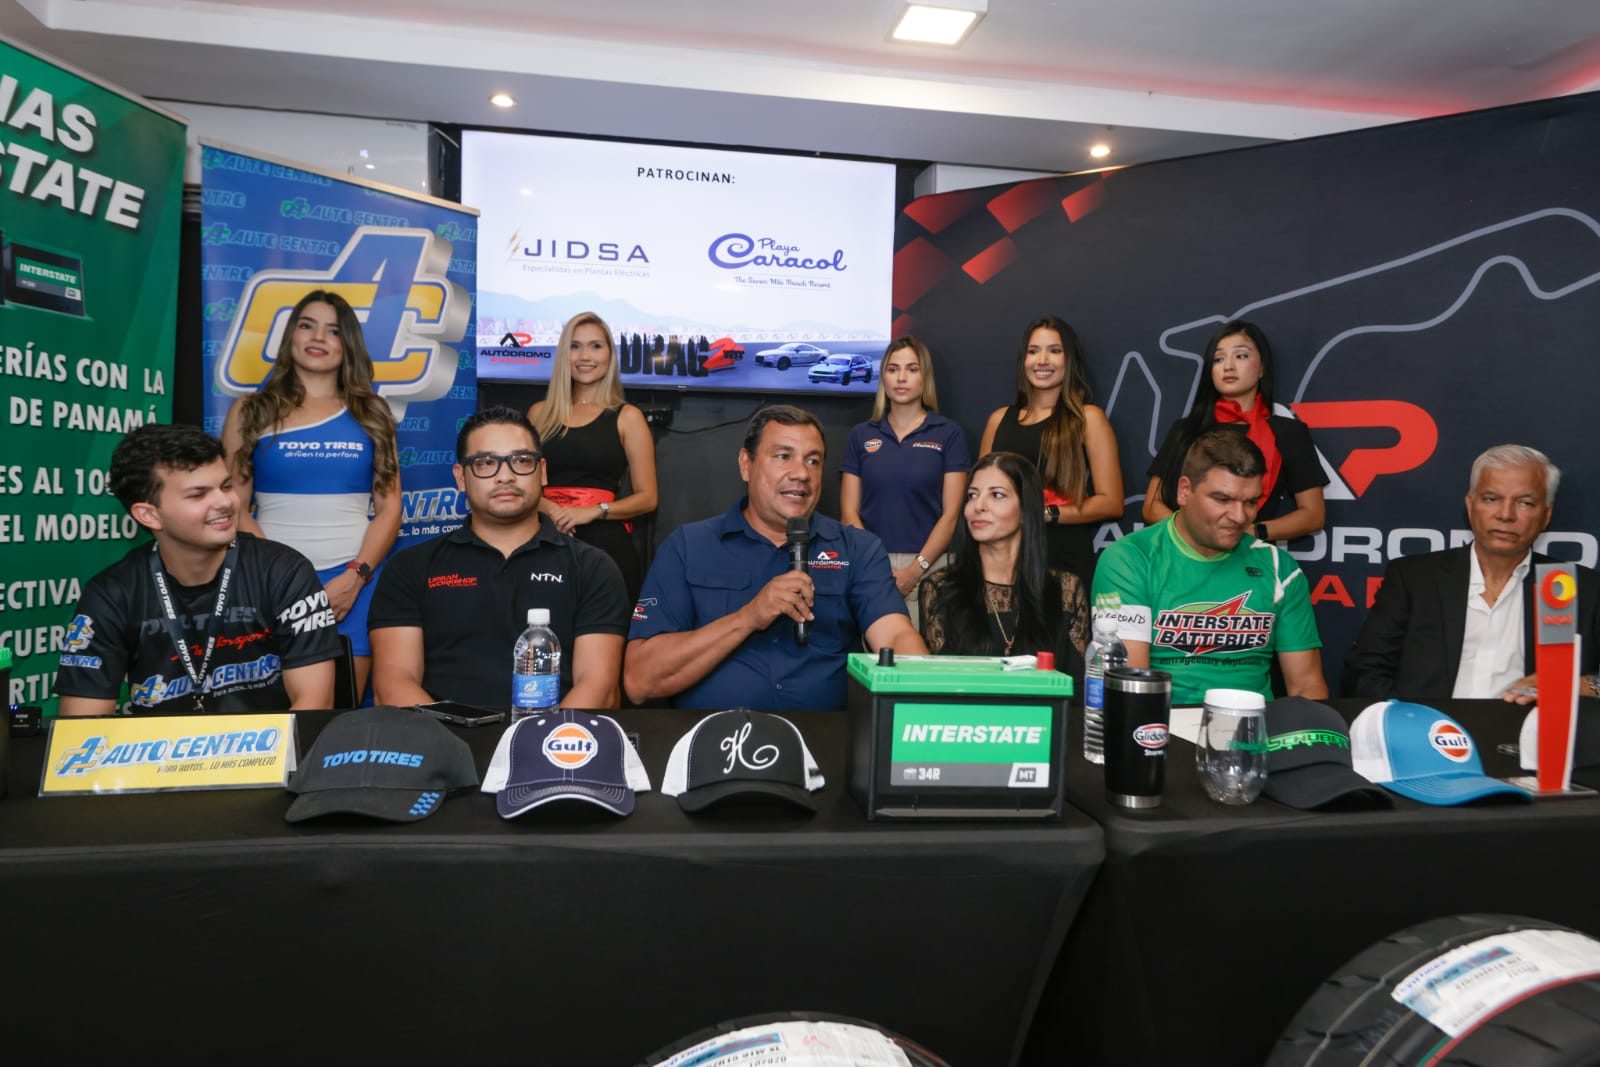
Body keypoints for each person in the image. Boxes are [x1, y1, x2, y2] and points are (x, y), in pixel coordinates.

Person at [625, 404, 927, 710]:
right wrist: (748, 618)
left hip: (828, 748)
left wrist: (928, 698)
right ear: (746, 464)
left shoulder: (858, 549)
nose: (801, 474)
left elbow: (896, 635)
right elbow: (640, 680)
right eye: (784, 456)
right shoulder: (688, 547)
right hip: (714, 745)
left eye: (813, 461)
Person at [56, 424, 339, 715]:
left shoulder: (284, 572)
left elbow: (313, 707)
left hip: (270, 756)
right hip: (154, 758)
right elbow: (82, 725)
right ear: (149, 515)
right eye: (198, 494)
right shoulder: (111, 593)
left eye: (226, 486)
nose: (225, 502)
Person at [368, 406, 630, 710]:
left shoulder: (591, 568)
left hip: (550, 748)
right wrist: (456, 750)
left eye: (521, 461)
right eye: (485, 463)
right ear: (461, 477)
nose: (505, 476)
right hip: (441, 745)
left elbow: (599, 687)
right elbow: (393, 684)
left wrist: (537, 749)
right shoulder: (411, 567)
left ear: (542, 472)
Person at [222, 289, 401, 699]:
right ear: (291, 336)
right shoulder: (251, 410)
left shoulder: (372, 413)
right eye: (307, 325)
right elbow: (232, 503)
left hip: (352, 585)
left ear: (348, 344)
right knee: (267, 707)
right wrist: (279, 581)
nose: (318, 337)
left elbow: (390, 509)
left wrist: (354, 579)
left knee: (339, 712)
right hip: (267, 582)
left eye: (333, 330)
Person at [1341, 444, 1600, 703]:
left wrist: (1587, 685)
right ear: (1470, 504)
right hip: (1423, 734)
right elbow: (1365, 671)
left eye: (1525, 503)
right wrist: (1408, 725)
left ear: (1546, 515)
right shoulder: (1414, 578)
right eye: (1491, 499)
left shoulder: (1574, 586)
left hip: (1530, 738)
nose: (1505, 514)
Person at [1090, 428, 1328, 705]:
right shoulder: (1130, 559)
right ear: (1184, 491)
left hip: (1253, 731)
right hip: (1161, 728)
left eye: (1251, 502)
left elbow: (1307, 687)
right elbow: (1129, 685)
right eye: (1223, 499)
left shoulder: (1279, 567)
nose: (1240, 517)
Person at [1142, 320, 1326, 543]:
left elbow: (1313, 515)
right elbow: (1152, 506)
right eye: (1219, 359)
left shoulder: (1288, 432)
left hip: (1248, 560)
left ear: (1262, 369)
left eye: (1241, 356)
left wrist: (1251, 532)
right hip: (1179, 557)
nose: (1228, 366)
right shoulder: (1185, 430)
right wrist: (1194, 537)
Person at [979, 316, 1124, 583]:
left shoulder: (1087, 419)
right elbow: (979, 496)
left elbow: (1111, 502)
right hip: (1000, 561)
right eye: (1034, 351)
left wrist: (1044, 514)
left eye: (1054, 351)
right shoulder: (998, 420)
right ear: (1024, 361)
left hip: (1061, 559)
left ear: (1069, 361)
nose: (1042, 360)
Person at [919, 452, 1090, 679]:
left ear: (1025, 511)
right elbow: (940, 687)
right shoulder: (940, 588)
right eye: (972, 495)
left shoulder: (1066, 590)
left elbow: (1076, 690)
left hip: (1046, 714)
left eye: (997, 495)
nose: (978, 506)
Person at [840, 336, 969, 629]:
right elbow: (849, 513)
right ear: (883, 376)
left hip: (933, 569)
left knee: (929, 668)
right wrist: (881, 568)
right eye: (893, 368)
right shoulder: (861, 435)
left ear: (925, 378)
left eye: (911, 369)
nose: (901, 377)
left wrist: (915, 569)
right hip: (872, 567)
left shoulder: (948, 433)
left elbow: (952, 515)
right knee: (880, 666)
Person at [528, 310, 658, 603]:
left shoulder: (628, 417)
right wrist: (550, 508)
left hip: (605, 547)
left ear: (610, 355)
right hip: (542, 537)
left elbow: (648, 498)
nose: (584, 355)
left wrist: (592, 511)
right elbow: (522, 483)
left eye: (595, 346)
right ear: (564, 354)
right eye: (575, 346)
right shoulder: (539, 414)